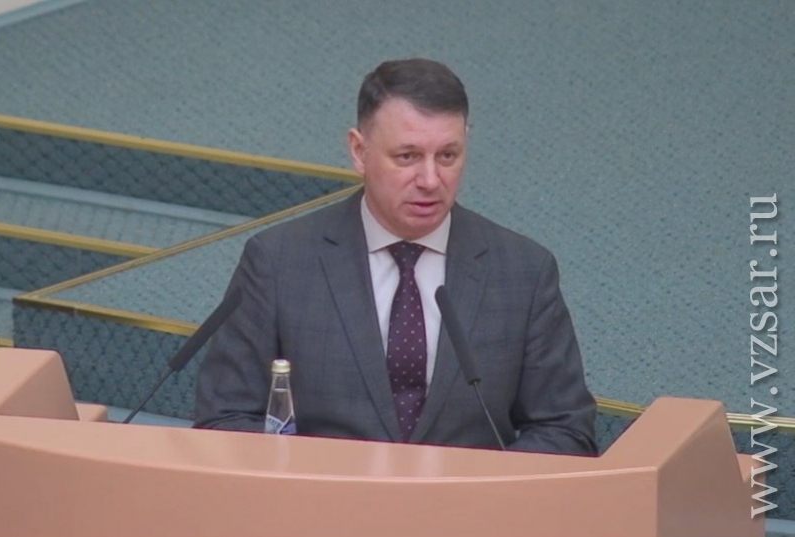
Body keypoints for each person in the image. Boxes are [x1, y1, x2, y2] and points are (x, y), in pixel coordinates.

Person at [194, 58, 597, 455]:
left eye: (447, 156)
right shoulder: (279, 262)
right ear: (359, 151)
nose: (430, 180)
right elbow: (224, 417)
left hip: (466, 498)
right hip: (322, 495)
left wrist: (477, 488)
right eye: (407, 156)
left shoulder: (523, 272)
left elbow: (565, 430)